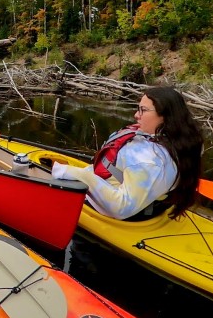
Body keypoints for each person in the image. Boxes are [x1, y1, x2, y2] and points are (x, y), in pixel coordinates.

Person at [51, 86, 204, 220]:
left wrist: (72, 173)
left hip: (129, 214)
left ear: (165, 117)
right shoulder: (179, 141)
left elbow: (122, 208)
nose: (136, 115)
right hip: (131, 191)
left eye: (143, 110)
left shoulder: (149, 161)